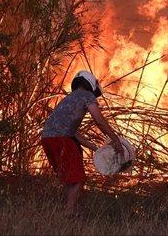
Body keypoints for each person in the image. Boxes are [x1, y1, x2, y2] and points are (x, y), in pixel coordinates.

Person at [41, 70, 124, 216]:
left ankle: (68, 209)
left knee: (68, 178)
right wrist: (116, 140)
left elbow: (73, 132)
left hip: (47, 139)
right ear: (91, 85)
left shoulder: (69, 98)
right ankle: (69, 212)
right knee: (79, 178)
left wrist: (96, 148)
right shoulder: (87, 96)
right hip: (62, 139)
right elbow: (99, 121)